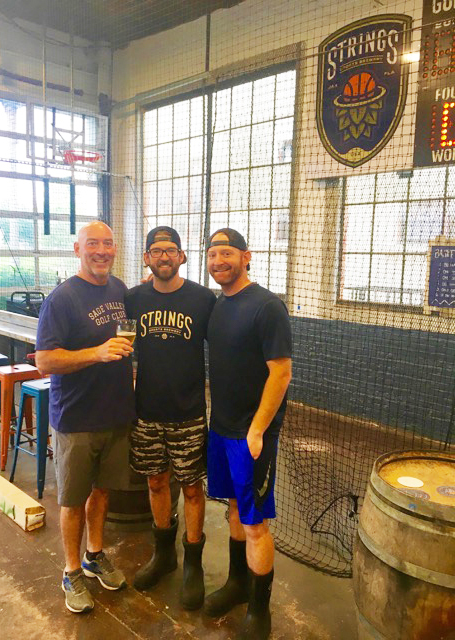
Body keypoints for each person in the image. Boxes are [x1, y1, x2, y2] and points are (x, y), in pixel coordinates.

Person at [35, 220, 135, 614]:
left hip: (115, 414)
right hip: (75, 419)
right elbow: (44, 360)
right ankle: (71, 570)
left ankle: (95, 555)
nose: (101, 250)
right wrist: (96, 352)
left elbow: (126, 337)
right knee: (73, 499)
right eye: (93, 243)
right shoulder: (61, 299)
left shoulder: (120, 290)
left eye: (108, 243)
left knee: (103, 491)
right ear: (77, 248)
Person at [205, 228, 292, 640]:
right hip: (220, 429)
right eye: (212, 254)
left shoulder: (267, 306)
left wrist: (258, 429)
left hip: (251, 436)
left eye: (226, 253)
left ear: (246, 256)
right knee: (234, 511)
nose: (219, 260)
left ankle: (260, 609)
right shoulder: (219, 305)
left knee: (255, 521)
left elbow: (281, 372)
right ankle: (237, 583)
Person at [125, 226, 216, 610]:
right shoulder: (133, 299)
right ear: (147, 258)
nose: (164, 256)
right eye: (157, 250)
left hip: (189, 414)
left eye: (171, 250)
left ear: (181, 256)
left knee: (193, 489)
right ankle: (164, 555)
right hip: (146, 413)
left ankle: (192, 562)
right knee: (157, 482)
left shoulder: (202, 299)